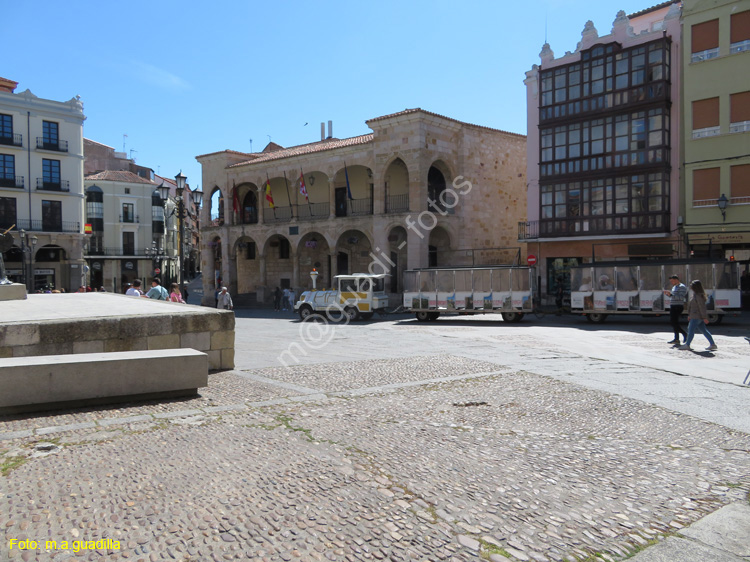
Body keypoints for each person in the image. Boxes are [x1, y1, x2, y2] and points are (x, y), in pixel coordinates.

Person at [678, 280, 717, 351]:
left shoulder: (698, 296)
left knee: (690, 330)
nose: (690, 286)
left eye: (691, 285)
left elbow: (702, 307)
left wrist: (704, 317)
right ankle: (712, 344)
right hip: (696, 316)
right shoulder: (697, 295)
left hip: (696, 316)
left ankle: (687, 344)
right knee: (704, 330)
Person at [664, 274, 687, 345]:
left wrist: (671, 295)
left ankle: (684, 334)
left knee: (674, 322)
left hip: (678, 306)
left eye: (672, 281)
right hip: (673, 305)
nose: (671, 282)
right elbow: (673, 297)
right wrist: (668, 295)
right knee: (674, 322)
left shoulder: (682, 287)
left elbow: (681, 297)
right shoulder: (674, 287)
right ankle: (676, 339)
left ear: (676, 280)